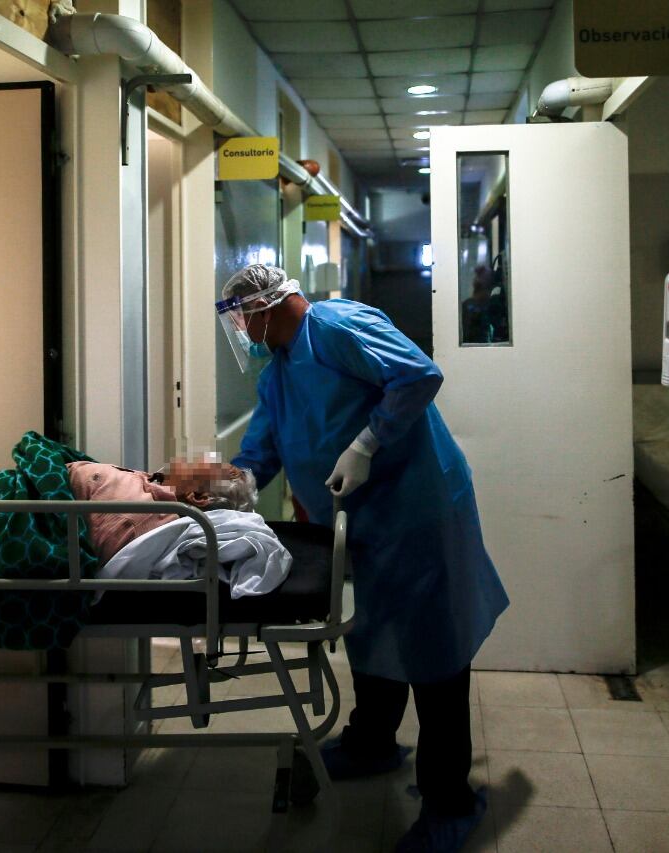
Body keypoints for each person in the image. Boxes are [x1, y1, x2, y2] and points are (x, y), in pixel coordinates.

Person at [216, 264, 509, 853]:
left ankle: (450, 799)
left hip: (417, 509)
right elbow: (259, 457)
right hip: (361, 526)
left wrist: (365, 444)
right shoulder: (278, 376)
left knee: (433, 649)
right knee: (374, 632)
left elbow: (418, 375)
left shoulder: (335, 326)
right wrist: (222, 489)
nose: (242, 330)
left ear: (266, 306)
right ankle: (372, 742)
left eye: (243, 317)